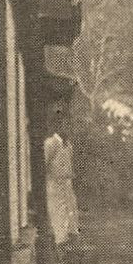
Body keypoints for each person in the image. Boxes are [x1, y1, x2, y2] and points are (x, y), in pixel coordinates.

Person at [44, 102, 80, 250]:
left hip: (67, 185)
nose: (68, 128)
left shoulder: (68, 145)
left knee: (71, 216)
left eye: (70, 124)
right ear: (58, 125)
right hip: (54, 186)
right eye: (65, 124)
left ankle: (69, 252)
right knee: (58, 217)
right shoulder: (51, 144)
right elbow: (44, 166)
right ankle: (59, 248)